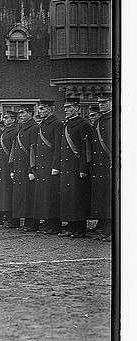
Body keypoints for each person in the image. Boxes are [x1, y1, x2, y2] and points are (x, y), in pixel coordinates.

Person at [58, 97, 95, 238]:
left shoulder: (83, 125)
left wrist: (84, 168)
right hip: (66, 167)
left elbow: (87, 148)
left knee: (78, 198)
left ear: (78, 109)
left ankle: (80, 229)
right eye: (65, 107)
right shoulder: (66, 125)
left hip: (77, 167)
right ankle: (71, 228)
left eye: (69, 107)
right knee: (68, 197)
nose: (66, 110)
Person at [31, 100, 63, 235]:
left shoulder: (56, 124)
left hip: (50, 165)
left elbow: (58, 146)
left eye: (43, 109)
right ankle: (48, 223)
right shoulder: (42, 124)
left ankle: (54, 225)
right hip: (42, 166)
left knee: (51, 196)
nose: (40, 111)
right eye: (40, 109)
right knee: (44, 196)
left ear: (51, 109)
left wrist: (55, 165)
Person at [9, 105, 39, 231]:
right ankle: (25, 221)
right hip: (19, 166)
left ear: (30, 113)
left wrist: (32, 169)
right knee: (22, 195)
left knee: (29, 195)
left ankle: (31, 223)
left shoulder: (34, 128)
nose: (20, 115)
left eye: (22, 113)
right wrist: (13, 168)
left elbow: (34, 149)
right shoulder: (22, 128)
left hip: (27, 166)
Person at [90, 96, 112, 241]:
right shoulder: (99, 122)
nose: (101, 105)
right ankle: (106, 231)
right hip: (100, 165)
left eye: (104, 102)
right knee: (104, 198)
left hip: (111, 164)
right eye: (99, 103)